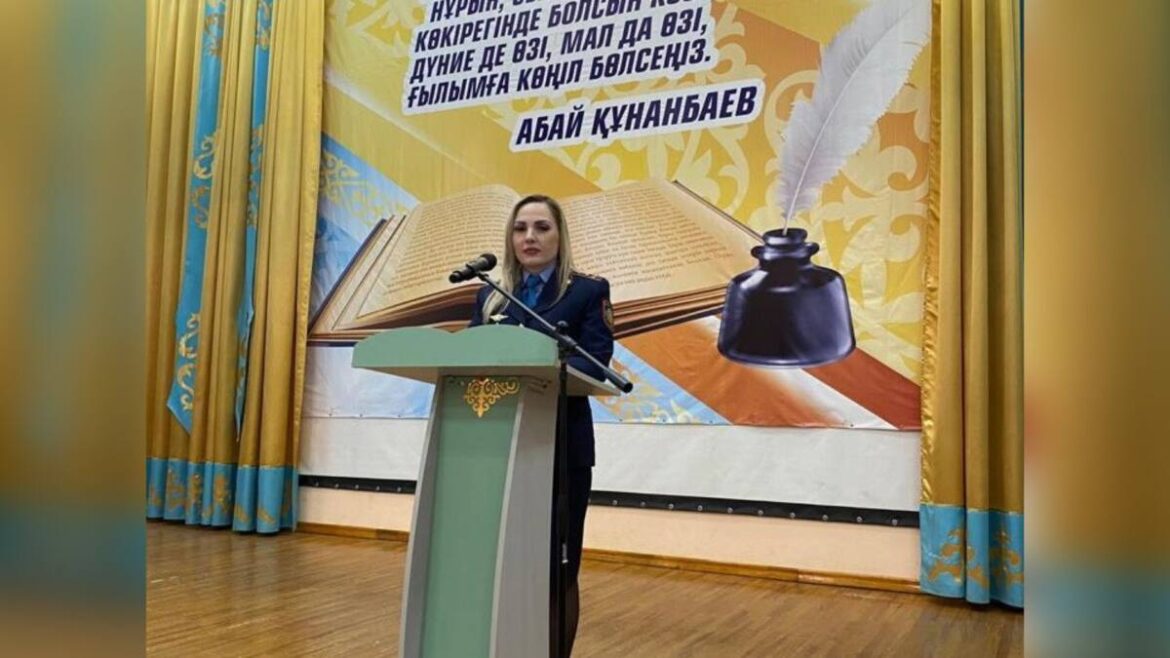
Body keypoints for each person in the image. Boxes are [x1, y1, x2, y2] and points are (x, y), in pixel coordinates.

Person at [468, 194, 614, 654]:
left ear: (559, 236)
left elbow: (596, 363)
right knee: (506, 563)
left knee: (557, 567)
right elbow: (470, 360)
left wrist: (536, 359)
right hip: (499, 447)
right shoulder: (490, 295)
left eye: (541, 227)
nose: (529, 237)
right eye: (520, 228)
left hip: (561, 447)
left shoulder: (587, 291)